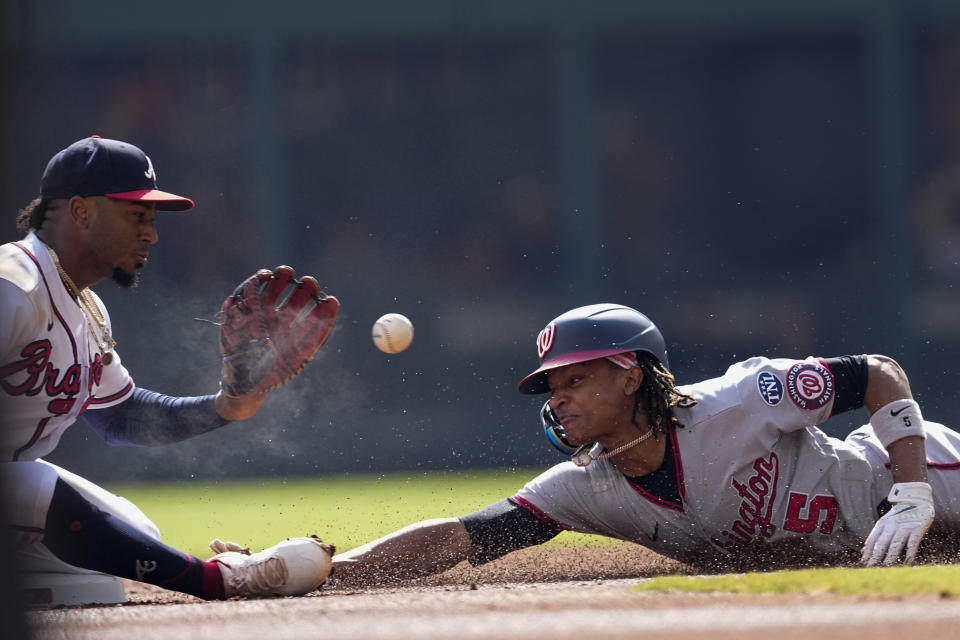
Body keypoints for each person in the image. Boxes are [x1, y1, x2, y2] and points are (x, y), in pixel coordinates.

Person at [330, 303, 960, 585]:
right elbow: (463, 534)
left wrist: (910, 492)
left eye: (575, 379)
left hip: (911, 472)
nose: (558, 398)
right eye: (552, 386)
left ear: (631, 375)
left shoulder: (743, 398)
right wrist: (339, 570)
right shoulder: (586, 488)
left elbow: (879, 372)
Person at [1, 136, 334, 606]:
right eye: (137, 216)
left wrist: (228, 406)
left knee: (135, 531)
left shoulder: (84, 308)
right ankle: (220, 580)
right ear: (80, 212)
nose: (151, 234)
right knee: (30, 487)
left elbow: (122, 416)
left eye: (152, 219)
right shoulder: (13, 285)